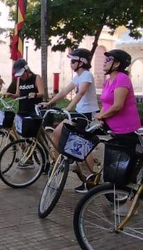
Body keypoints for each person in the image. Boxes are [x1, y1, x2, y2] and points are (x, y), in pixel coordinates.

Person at [41, 48, 101, 191]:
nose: (71, 64)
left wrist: (67, 109)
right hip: (79, 112)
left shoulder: (86, 75)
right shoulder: (78, 77)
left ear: (82, 62)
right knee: (57, 133)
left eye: (73, 61)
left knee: (84, 146)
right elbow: (63, 92)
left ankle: (89, 180)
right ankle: (59, 164)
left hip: (87, 114)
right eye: (71, 61)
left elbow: (80, 93)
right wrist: (49, 103)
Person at [94, 49, 142, 146]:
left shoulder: (122, 78)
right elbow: (106, 104)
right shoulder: (108, 81)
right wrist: (101, 117)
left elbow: (118, 106)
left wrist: (101, 116)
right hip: (112, 127)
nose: (104, 62)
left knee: (123, 158)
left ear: (117, 64)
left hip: (124, 127)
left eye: (108, 59)